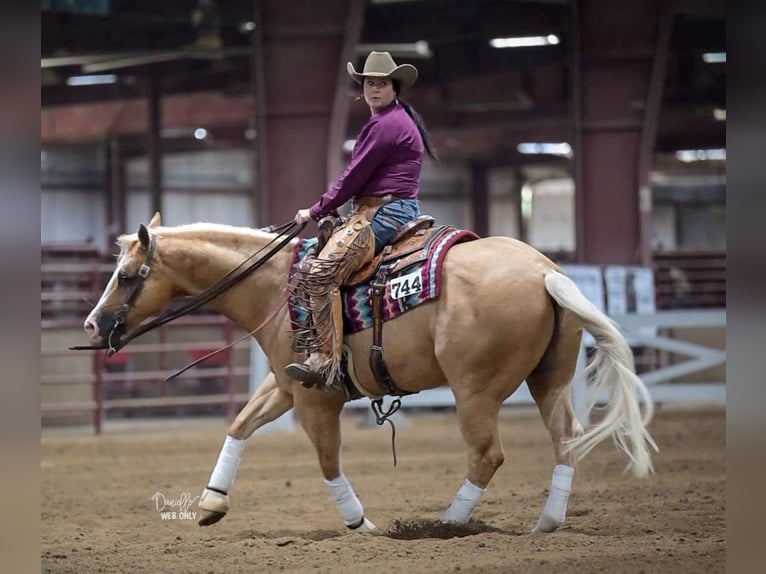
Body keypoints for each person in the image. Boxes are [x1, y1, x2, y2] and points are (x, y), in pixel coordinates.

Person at [284, 50, 438, 391]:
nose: (375, 89)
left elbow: (353, 177)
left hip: (385, 212)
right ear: (362, 87)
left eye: (382, 83)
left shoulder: (386, 125)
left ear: (394, 88)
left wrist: (316, 209)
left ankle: (326, 359)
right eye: (370, 83)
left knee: (321, 274)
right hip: (383, 207)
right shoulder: (392, 121)